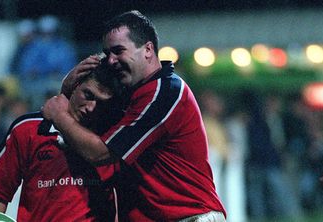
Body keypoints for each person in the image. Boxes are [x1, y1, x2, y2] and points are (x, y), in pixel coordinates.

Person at [43, 10, 226, 221]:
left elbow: (100, 153)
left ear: (148, 49)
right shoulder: (132, 95)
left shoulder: (164, 91)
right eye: (107, 53)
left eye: (118, 51)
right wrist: (68, 89)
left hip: (190, 217)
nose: (111, 60)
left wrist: (59, 114)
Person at [0, 57, 121, 222]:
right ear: (74, 86)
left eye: (101, 103)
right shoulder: (28, 130)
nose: (91, 107)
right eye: (88, 94)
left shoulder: (114, 139)